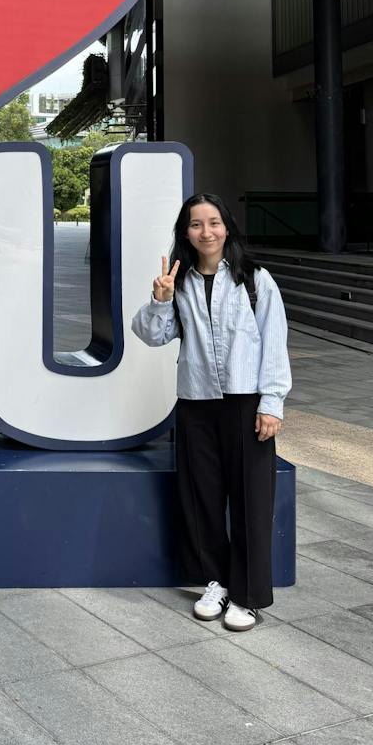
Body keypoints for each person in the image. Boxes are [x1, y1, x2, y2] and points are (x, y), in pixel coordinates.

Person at [131, 193, 291, 631]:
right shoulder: (178, 282)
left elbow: (274, 343)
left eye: (214, 222)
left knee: (251, 500)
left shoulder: (255, 280)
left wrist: (272, 402)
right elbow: (151, 335)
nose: (207, 232)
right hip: (196, 403)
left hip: (246, 402)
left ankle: (247, 596)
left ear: (227, 227)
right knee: (201, 498)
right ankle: (215, 582)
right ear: (185, 232)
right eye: (196, 224)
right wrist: (160, 299)